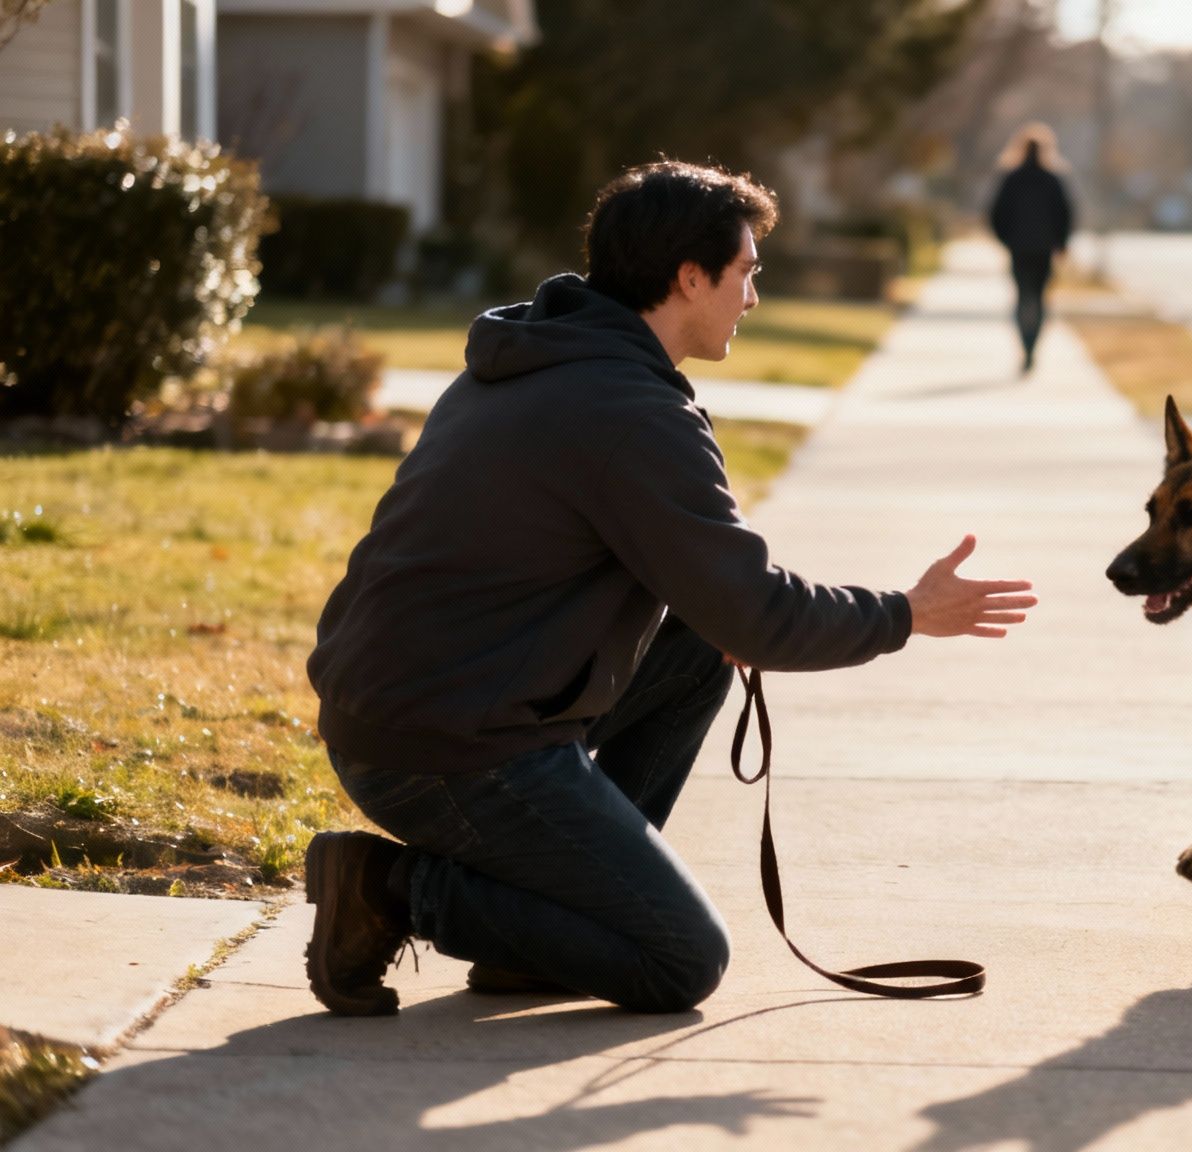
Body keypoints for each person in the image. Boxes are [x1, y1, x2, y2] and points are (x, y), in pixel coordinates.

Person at [301, 160, 1036, 1017]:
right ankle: (391, 886)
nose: (754, 296)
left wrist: (729, 610)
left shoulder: (538, 358)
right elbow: (760, 615)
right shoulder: (628, 410)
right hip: (446, 748)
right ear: (690, 278)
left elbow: (723, 605)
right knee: (679, 959)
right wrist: (908, 614)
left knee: (696, 649)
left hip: (408, 705)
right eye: (747, 272)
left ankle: (543, 937)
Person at [988, 123, 1074, 375]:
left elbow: (996, 215)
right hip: (1043, 249)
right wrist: (1061, 243)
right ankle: (1032, 346)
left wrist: (1008, 240)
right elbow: (1065, 215)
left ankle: (1026, 345)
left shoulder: (1012, 179)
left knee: (1024, 296)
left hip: (1020, 248)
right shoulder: (1053, 179)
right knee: (1038, 298)